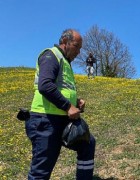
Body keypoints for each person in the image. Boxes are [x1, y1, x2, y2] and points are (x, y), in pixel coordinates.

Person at [25, 29, 96, 179]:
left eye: (80, 48)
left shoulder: (66, 62)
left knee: (88, 143)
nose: (79, 52)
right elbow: (45, 85)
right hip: (45, 120)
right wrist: (68, 106)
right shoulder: (51, 55)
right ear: (65, 42)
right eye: (77, 46)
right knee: (41, 171)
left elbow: (61, 89)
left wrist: (75, 102)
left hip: (61, 120)